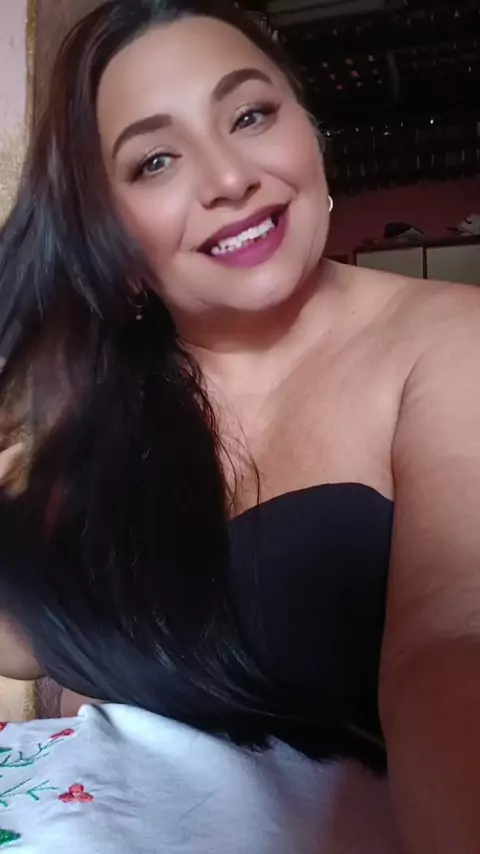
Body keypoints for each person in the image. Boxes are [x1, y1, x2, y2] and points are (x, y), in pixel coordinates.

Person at [0, 0, 480, 851]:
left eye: (250, 115)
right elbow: (31, 637)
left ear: (309, 130)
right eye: (155, 161)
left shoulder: (451, 344)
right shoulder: (104, 399)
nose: (227, 178)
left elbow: (449, 649)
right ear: (108, 226)